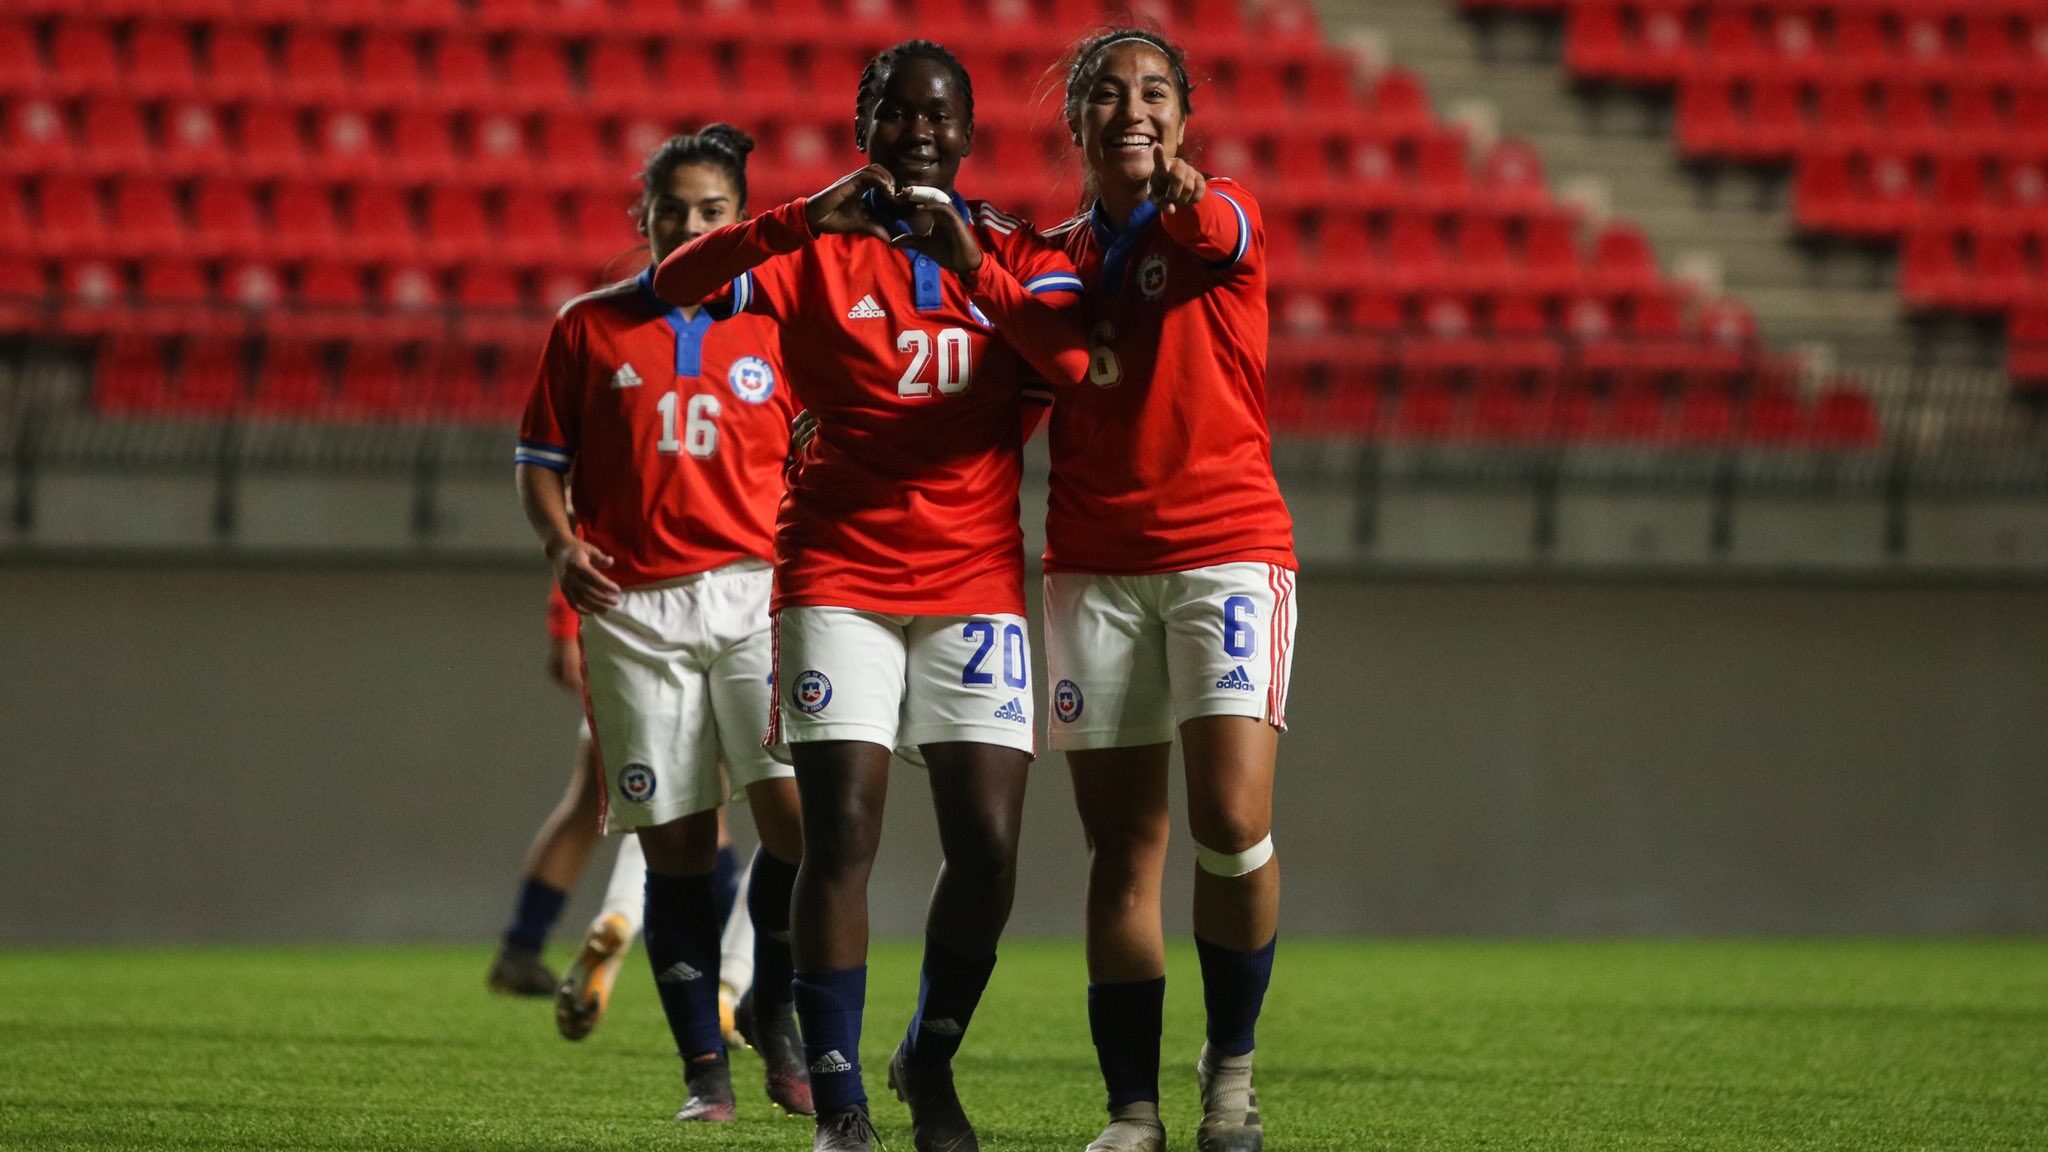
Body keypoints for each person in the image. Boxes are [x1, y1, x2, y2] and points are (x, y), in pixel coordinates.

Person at [650, 40, 1089, 1152]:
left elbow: (1074, 363)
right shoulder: (812, 248)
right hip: (837, 573)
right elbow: (674, 285)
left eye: (939, 117)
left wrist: (974, 270)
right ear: (864, 127)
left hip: (973, 580)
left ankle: (926, 1057)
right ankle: (840, 1103)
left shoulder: (1014, 249)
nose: (918, 134)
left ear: (969, 132)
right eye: (896, 115)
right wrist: (796, 219)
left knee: (988, 847)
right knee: (838, 833)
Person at [515, 123, 812, 1123]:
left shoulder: (782, 320)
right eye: (671, 210)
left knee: (801, 827)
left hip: (755, 600)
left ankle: (770, 999)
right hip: (634, 612)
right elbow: (540, 467)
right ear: (643, 219)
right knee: (677, 846)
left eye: (712, 211)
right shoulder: (588, 326)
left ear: (742, 221)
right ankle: (703, 1075)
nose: (689, 225)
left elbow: (827, 449)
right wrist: (562, 548)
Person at [1042, 30, 1299, 1152]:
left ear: (1184, 120)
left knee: (1231, 822)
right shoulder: (1050, 264)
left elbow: (1215, 223)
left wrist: (1187, 193)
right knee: (1120, 849)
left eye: (1153, 92)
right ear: (1075, 122)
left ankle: (1228, 1076)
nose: (1131, 108)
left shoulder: (1218, 216)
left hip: (1224, 554)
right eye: (1106, 93)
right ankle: (1132, 1110)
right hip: (1092, 567)